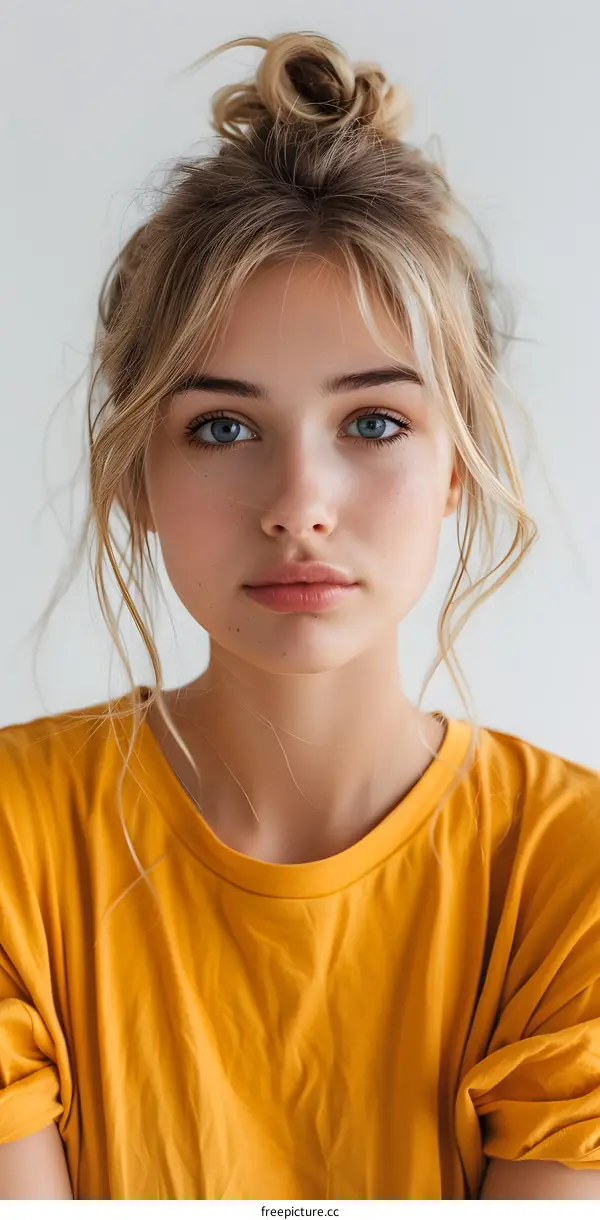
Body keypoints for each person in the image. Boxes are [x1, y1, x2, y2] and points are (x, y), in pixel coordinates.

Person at [1, 29, 599, 1203]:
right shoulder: (16, 845)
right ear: (135, 475)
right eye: (223, 426)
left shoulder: (567, 871)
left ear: (457, 464)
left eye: (373, 422)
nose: (299, 504)